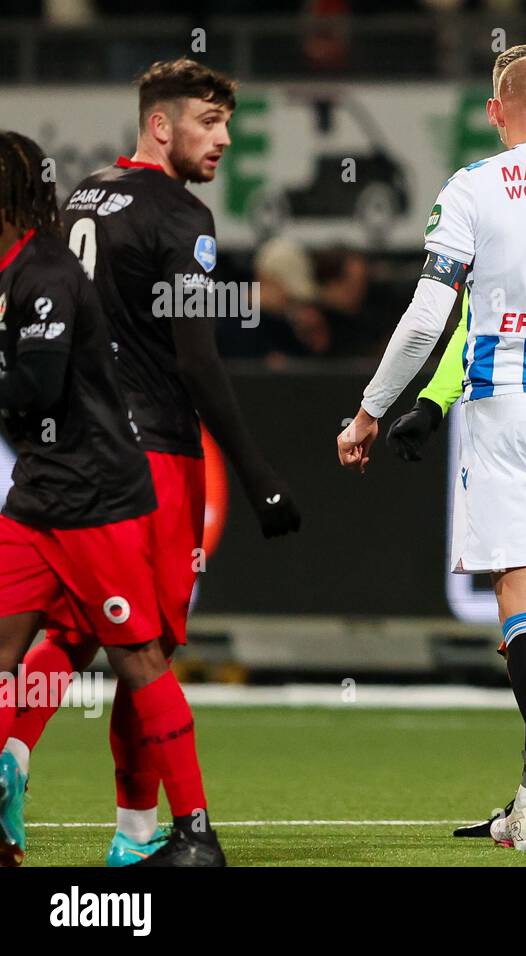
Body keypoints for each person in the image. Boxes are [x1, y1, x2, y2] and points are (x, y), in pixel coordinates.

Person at [0, 58, 301, 867]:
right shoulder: (184, 217)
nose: (225, 139)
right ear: (161, 124)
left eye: (228, 123)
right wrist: (256, 471)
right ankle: (142, 833)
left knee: (70, 626)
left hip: (70, 450)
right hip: (156, 456)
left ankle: (14, 750)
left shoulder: (80, 198)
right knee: (150, 648)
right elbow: (199, 362)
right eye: (210, 122)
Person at [338, 52, 526, 852]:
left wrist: (371, 410)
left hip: (507, 405)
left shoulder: (474, 185)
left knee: (520, 597)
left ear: (497, 112)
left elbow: (430, 315)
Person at [0, 131, 225, 868]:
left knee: (138, 657)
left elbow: (35, 389)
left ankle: (191, 833)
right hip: (39, 492)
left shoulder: (47, 275)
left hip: (99, 496)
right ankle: (13, 775)